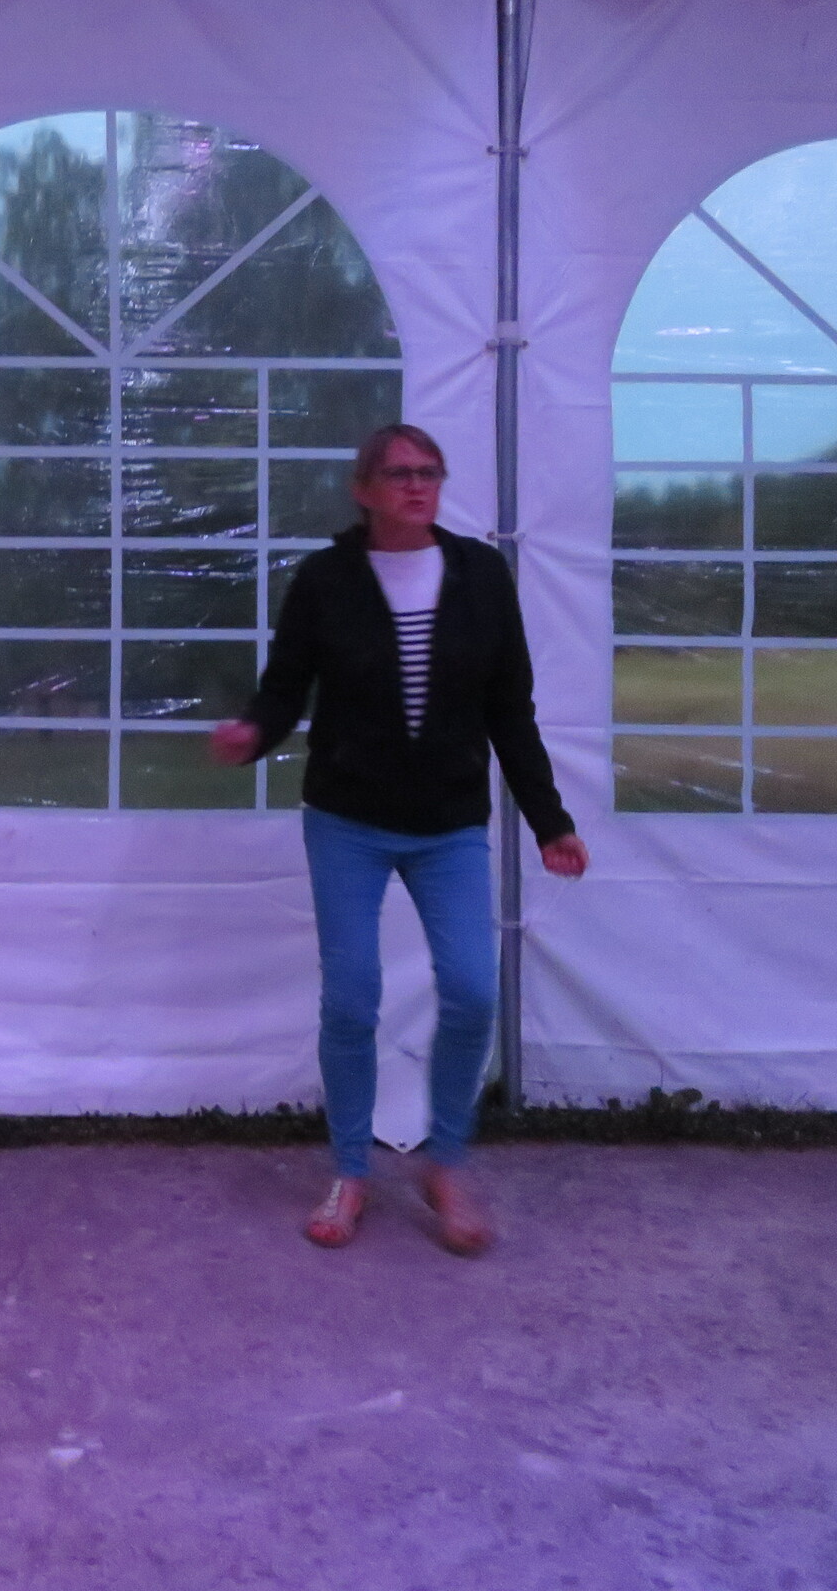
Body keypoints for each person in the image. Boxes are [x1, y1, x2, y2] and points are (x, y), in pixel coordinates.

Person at [212, 423, 586, 1256]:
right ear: (365, 489)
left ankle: (443, 1162)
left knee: (473, 992)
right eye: (400, 473)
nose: (418, 486)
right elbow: (286, 688)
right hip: (347, 820)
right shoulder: (326, 580)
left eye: (430, 472)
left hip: (448, 826)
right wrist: (254, 733)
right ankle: (351, 1171)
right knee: (351, 999)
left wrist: (550, 821)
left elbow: (510, 712)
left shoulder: (482, 577)